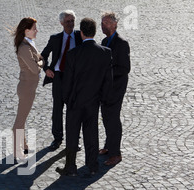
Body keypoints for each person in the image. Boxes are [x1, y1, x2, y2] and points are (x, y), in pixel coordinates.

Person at [56, 18, 113, 177]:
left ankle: (70, 167)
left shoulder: (73, 54)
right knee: (92, 134)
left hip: (75, 102)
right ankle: (93, 166)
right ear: (94, 32)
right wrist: (102, 99)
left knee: (72, 135)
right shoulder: (105, 53)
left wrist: (68, 100)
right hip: (93, 102)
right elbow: (108, 81)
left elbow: (67, 82)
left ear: (81, 33)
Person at [40, 10, 83, 151]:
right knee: (57, 109)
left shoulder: (80, 36)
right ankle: (57, 138)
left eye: (72, 21)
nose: (70, 24)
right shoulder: (55, 38)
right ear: (61, 23)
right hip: (58, 77)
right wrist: (46, 69)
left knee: (74, 110)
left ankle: (74, 140)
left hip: (74, 79)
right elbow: (41, 57)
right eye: (67, 22)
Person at [99, 11, 131, 166]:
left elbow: (125, 68)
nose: (102, 25)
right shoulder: (104, 41)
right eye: (101, 22)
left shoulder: (122, 43)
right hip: (105, 88)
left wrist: (106, 72)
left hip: (116, 88)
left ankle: (116, 153)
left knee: (113, 119)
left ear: (114, 24)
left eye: (105, 23)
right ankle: (108, 146)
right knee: (106, 116)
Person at [12, 17, 43, 161]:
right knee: (20, 120)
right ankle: (17, 151)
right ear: (26, 31)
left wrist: (39, 61)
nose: (37, 31)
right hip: (26, 88)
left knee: (22, 118)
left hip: (28, 87)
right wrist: (40, 63)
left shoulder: (29, 44)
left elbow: (39, 59)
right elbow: (35, 69)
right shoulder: (24, 48)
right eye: (34, 29)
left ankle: (23, 145)